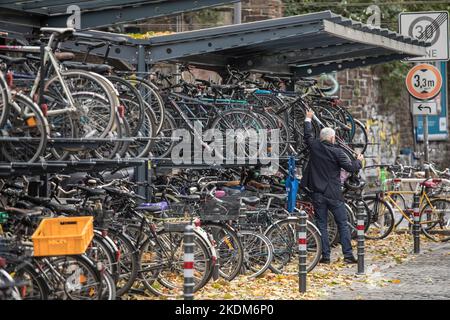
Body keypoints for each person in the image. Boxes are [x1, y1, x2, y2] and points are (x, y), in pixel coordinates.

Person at [301, 110, 363, 264]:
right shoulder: (338, 152)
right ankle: (348, 255)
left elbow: (307, 135)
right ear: (332, 138)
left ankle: (326, 256)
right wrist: (359, 160)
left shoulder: (315, 146)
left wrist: (308, 119)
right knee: (342, 224)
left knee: (322, 224)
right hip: (334, 194)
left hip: (317, 193)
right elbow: (351, 168)